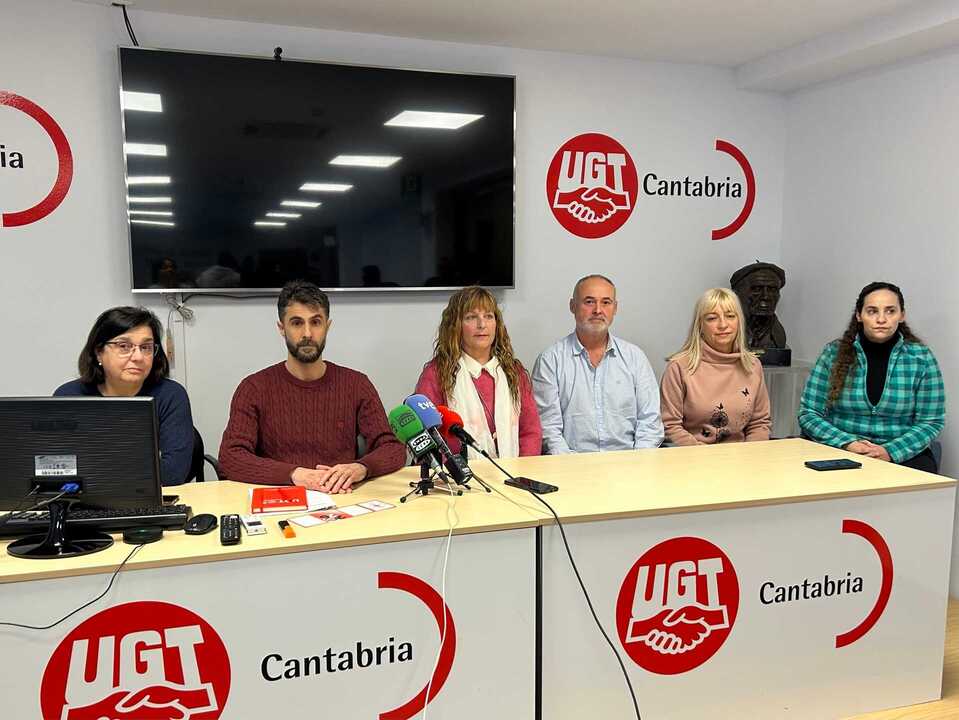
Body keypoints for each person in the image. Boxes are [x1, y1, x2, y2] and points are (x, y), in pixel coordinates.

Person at [219, 280, 405, 492]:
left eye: (315, 322)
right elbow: (230, 458)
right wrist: (295, 474)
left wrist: (360, 468)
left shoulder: (356, 384)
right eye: (297, 323)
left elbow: (392, 448)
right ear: (282, 328)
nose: (307, 333)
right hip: (280, 499)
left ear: (327, 326)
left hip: (341, 498)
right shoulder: (253, 388)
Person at [798, 282, 945, 472]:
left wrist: (889, 451)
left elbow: (931, 421)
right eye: (872, 311)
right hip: (838, 451)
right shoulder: (832, 354)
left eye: (890, 311)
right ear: (859, 315)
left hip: (902, 455)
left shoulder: (921, 358)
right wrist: (849, 444)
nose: (881, 319)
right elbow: (809, 413)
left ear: (902, 315)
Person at [54, 306, 194, 486]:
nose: (138, 357)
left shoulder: (170, 395)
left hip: (148, 499)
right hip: (84, 501)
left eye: (146, 347)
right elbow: (58, 470)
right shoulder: (69, 397)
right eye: (124, 346)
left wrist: (93, 467)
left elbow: (172, 473)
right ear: (98, 352)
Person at [532, 274, 663, 454]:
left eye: (606, 302)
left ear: (615, 308)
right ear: (572, 306)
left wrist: (637, 462)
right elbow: (549, 429)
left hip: (629, 462)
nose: (598, 310)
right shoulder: (550, 361)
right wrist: (570, 466)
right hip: (571, 465)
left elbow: (650, 421)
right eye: (589, 302)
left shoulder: (635, 358)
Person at [415, 286, 542, 458]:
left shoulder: (514, 371)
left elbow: (530, 432)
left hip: (513, 471)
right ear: (456, 326)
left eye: (488, 316)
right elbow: (428, 438)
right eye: (471, 317)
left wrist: (521, 470)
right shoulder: (436, 373)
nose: (482, 325)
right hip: (457, 472)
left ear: (497, 324)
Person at [660, 288, 771, 445]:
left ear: (739, 321)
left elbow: (759, 424)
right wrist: (704, 455)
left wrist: (750, 454)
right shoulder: (679, 367)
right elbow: (670, 426)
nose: (723, 325)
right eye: (712, 318)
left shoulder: (753, 365)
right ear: (700, 325)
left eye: (730, 316)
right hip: (693, 455)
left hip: (742, 456)